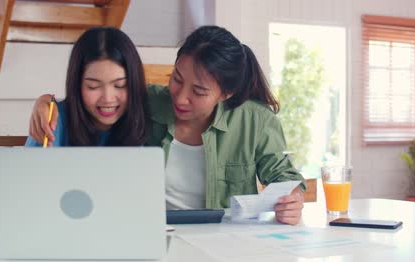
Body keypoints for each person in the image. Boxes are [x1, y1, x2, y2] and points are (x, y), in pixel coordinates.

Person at [28, 26, 306, 225]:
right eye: (176, 78)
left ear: (226, 94)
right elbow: (94, 103)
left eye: (198, 91)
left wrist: (292, 200)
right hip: (157, 232)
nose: (181, 97)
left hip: (225, 239)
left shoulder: (254, 120)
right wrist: (46, 102)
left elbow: (284, 178)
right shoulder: (144, 102)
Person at [26, 27, 150, 147]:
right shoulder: (53, 122)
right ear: (76, 84)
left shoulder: (146, 114)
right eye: (93, 86)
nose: (107, 98)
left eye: (119, 85)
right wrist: (45, 100)